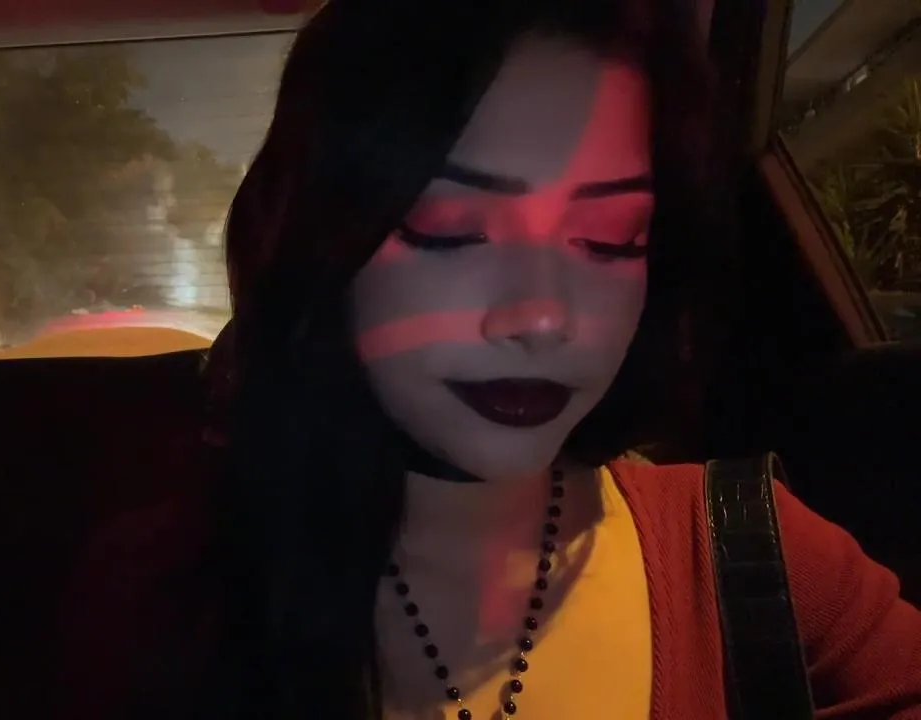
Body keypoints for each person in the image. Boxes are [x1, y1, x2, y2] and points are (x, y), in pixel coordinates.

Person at [62, 1, 921, 718]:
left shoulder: (757, 560)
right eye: (449, 231)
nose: (543, 316)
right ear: (318, 240)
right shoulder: (171, 598)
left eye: (610, 238)